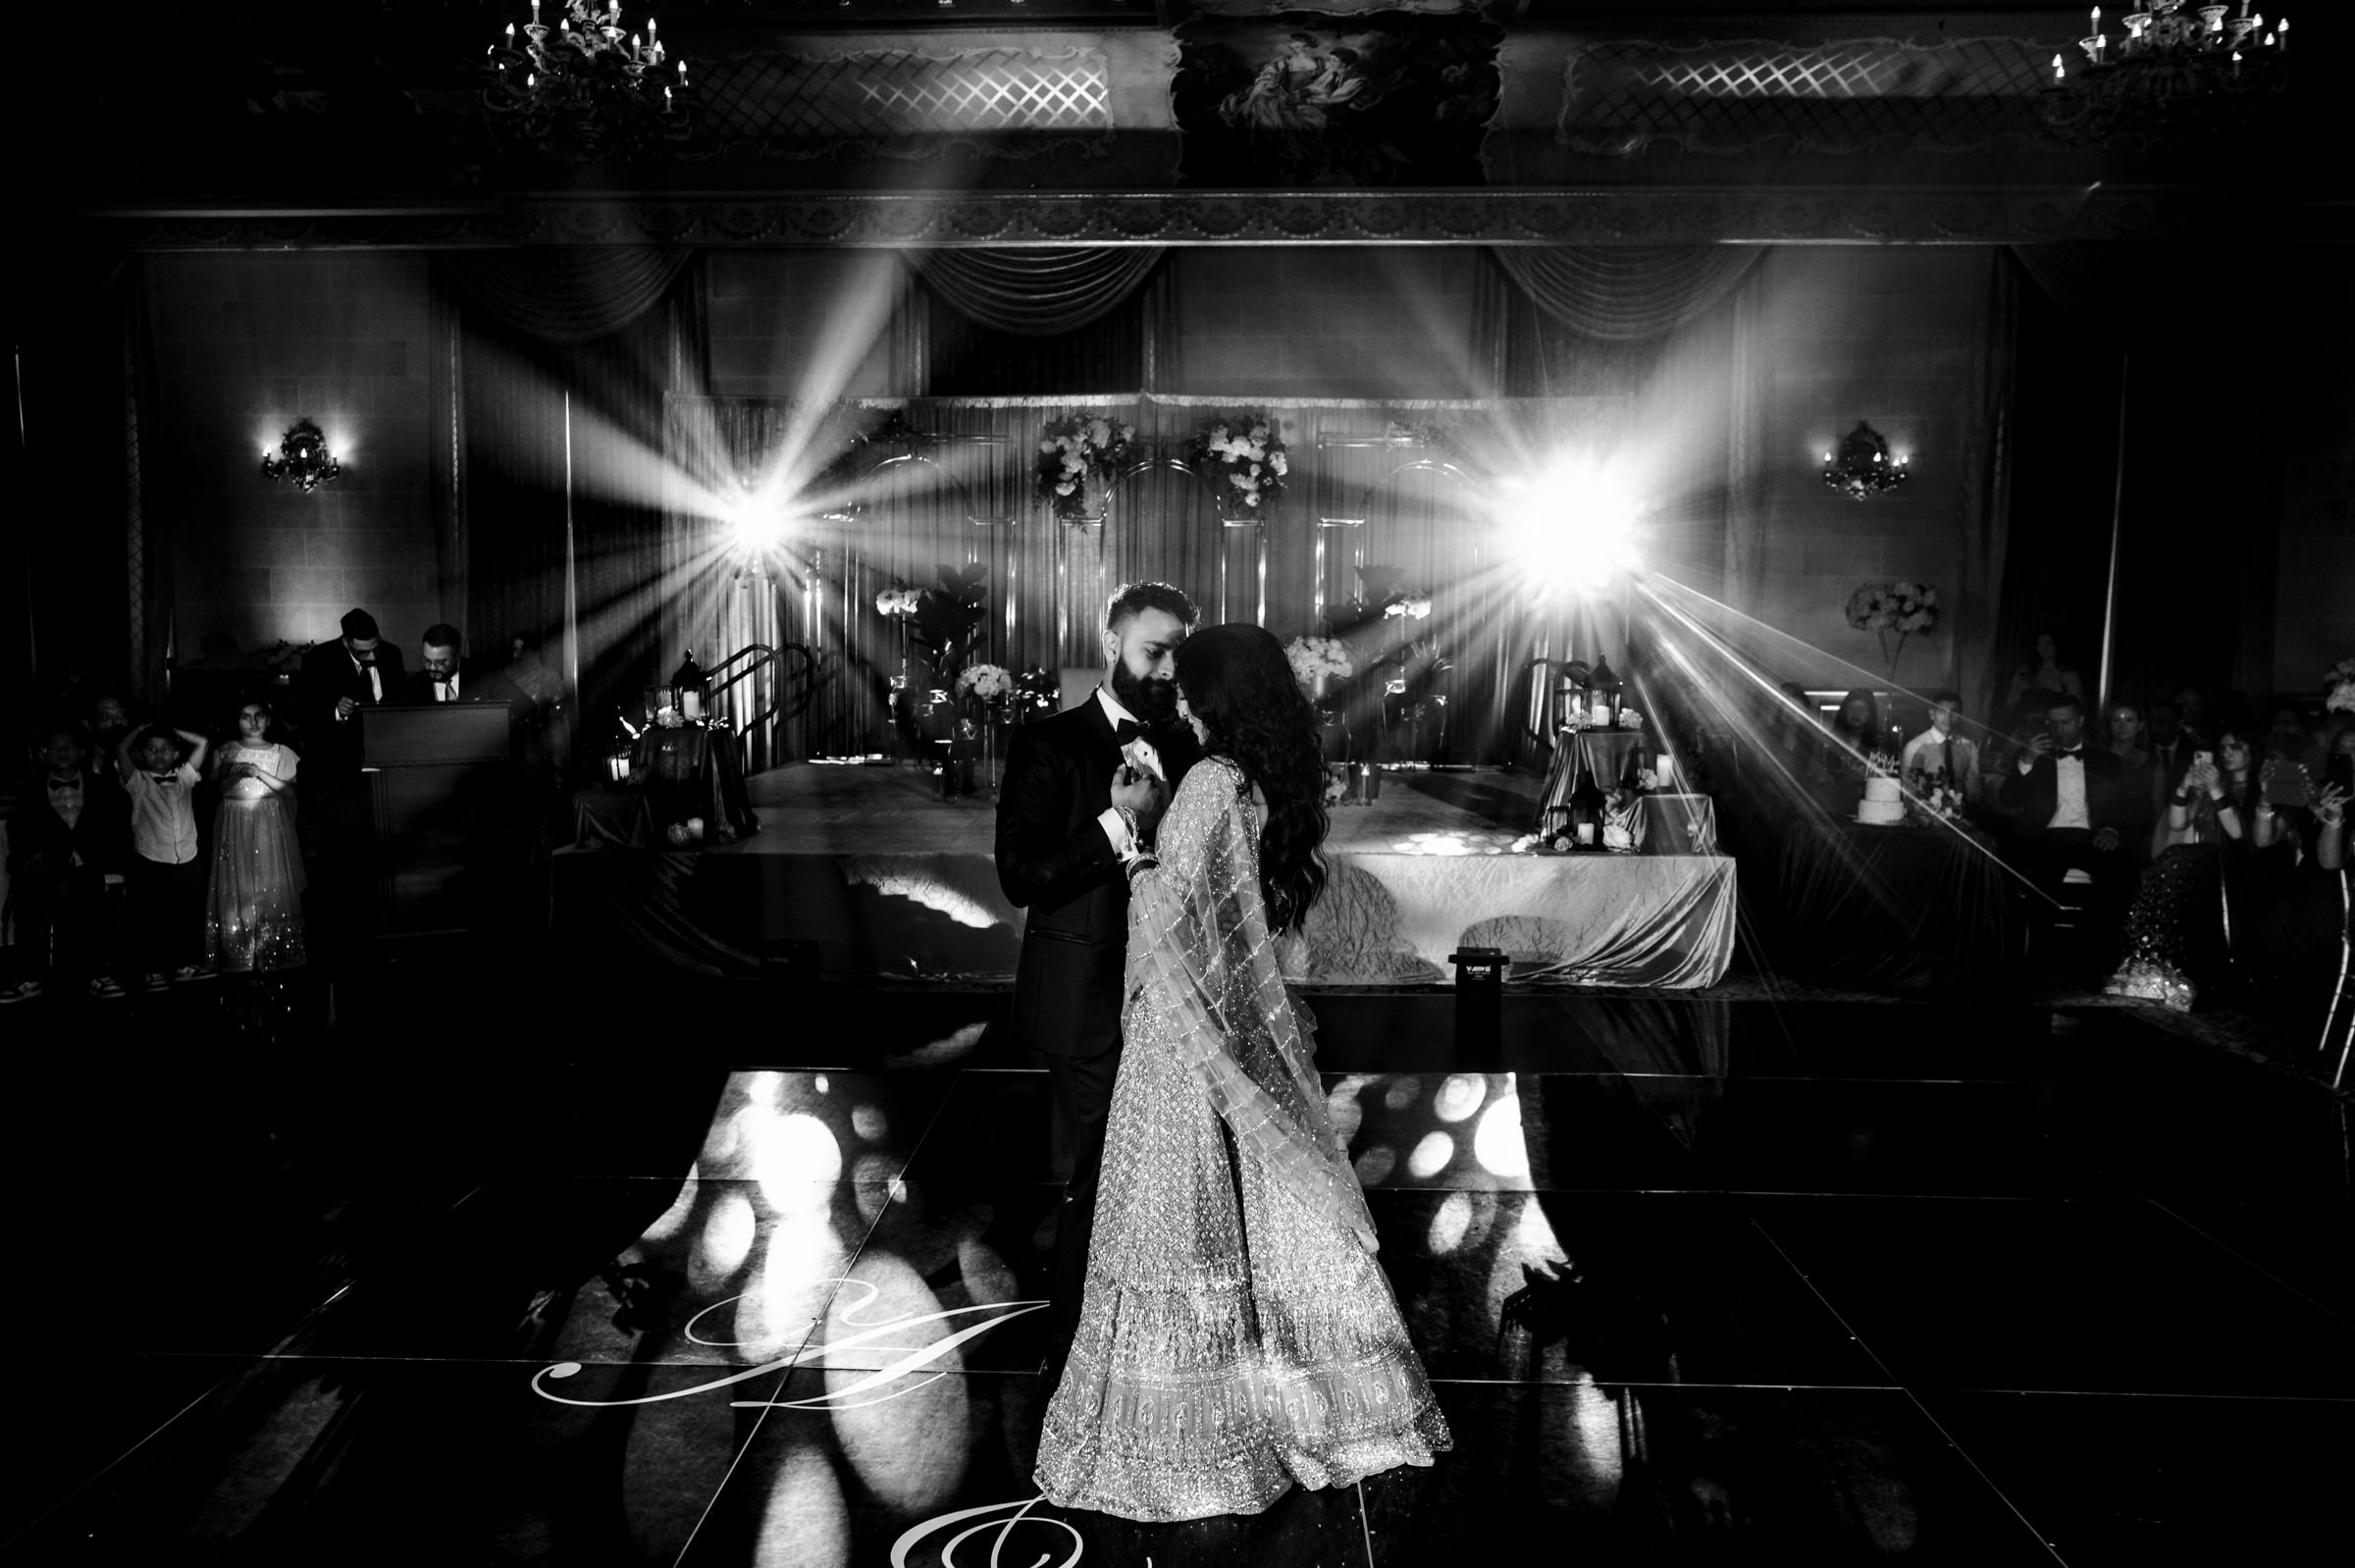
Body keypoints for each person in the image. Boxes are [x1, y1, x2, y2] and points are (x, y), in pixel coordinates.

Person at [1034, 623, 1450, 1519]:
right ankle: (1319, 1393)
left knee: (1173, 1224)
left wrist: (1140, 831)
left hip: (1178, 1034)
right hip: (1231, 1019)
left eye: (1190, 690)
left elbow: (1172, 912)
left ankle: (1196, 1431)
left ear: (1221, 698)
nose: (1178, 702)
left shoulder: (1210, 786)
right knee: (1255, 1211)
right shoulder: (1267, 783)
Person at [995, 582, 1203, 1376]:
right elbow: (1021, 875)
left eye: (1178, 651)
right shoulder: (1049, 743)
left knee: (1158, 1169)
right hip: (1083, 997)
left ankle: (1150, 1329)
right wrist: (1119, 823)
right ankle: (1074, 1349)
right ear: (1111, 639)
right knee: (1094, 1170)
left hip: (1168, 994)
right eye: (1155, 649)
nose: (1167, 666)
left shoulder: (1188, 747)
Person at [2105, 729, 2258, 1010]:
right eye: (2223, 748)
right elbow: (2178, 822)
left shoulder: (2257, 787)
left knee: (2175, 862)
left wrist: (2215, 790)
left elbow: (2238, 833)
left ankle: (2167, 972)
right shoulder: (2212, 784)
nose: (2227, 752)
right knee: (2165, 866)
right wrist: (2183, 787)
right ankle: (2148, 970)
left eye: (2235, 746)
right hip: (2202, 859)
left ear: (2251, 750)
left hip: (2239, 862)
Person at [2, 725, 130, 1004]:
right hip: (46, 864)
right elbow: (20, 830)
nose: (62, 752)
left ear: (81, 751)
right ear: (43, 754)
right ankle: (30, 977)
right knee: (30, 906)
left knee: (94, 908)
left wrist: (96, 856)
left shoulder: (100, 787)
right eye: (55, 747)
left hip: (89, 864)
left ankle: (97, 973)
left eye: (68, 746)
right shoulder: (31, 789)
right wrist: (41, 855)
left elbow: (114, 827)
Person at [1999, 693, 2130, 940]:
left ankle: (2098, 949)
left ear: (2080, 721)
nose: (2058, 729)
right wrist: (2027, 760)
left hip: (2091, 836)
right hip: (2046, 836)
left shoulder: (2106, 762)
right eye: (2053, 723)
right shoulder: (2034, 757)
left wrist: (2112, 829)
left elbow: (2122, 806)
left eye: (2065, 722)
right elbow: (2007, 799)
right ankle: (2039, 956)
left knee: (2119, 874)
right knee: (2039, 883)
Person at [205, 699, 306, 973]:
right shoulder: (224, 751)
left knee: (270, 880)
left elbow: (289, 791)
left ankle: (273, 950)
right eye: (245, 716)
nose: (253, 722)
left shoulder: (281, 752)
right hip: (234, 821)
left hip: (268, 821)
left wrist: (258, 773)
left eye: (259, 716)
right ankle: (239, 950)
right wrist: (235, 776)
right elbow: (212, 792)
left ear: (268, 720)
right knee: (237, 881)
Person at [117, 721, 212, 990]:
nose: (159, 755)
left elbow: (204, 743)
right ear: (142, 753)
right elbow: (120, 749)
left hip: (187, 856)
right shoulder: (137, 782)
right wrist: (140, 729)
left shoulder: (184, 777)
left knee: (185, 914)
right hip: (151, 858)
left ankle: (183, 965)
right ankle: (152, 969)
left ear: (176, 753)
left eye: (165, 749)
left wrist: (172, 729)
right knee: (151, 917)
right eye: (152, 749)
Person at [1899, 689, 1983, 803]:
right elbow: (1909, 791)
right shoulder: (1915, 746)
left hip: (1962, 813)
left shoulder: (1969, 747)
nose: (1948, 718)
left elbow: (1974, 791)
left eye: (1953, 712)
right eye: (1942, 711)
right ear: (1932, 714)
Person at [2103, 700, 2161, 861]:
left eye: (2129, 720)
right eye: (2116, 720)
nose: (2122, 726)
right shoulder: (2096, 759)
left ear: (2140, 725)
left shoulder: (2153, 763)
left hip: (2138, 843)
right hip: (2099, 838)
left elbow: (2157, 810)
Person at [2004, 632, 2084, 730]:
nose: (2044, 648)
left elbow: (2075, 710)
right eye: (2040, 644)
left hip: (2056, 730)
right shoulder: (2024, 672)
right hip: (2025, 729)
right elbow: (2010, 705)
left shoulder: (2068, 675)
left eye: (2048, 644)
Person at [400, 623, 473, 705]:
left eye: (440, 662)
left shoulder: (480, 677)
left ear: (456, 656)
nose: (432, 668)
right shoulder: (414, 687)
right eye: (427, 661)